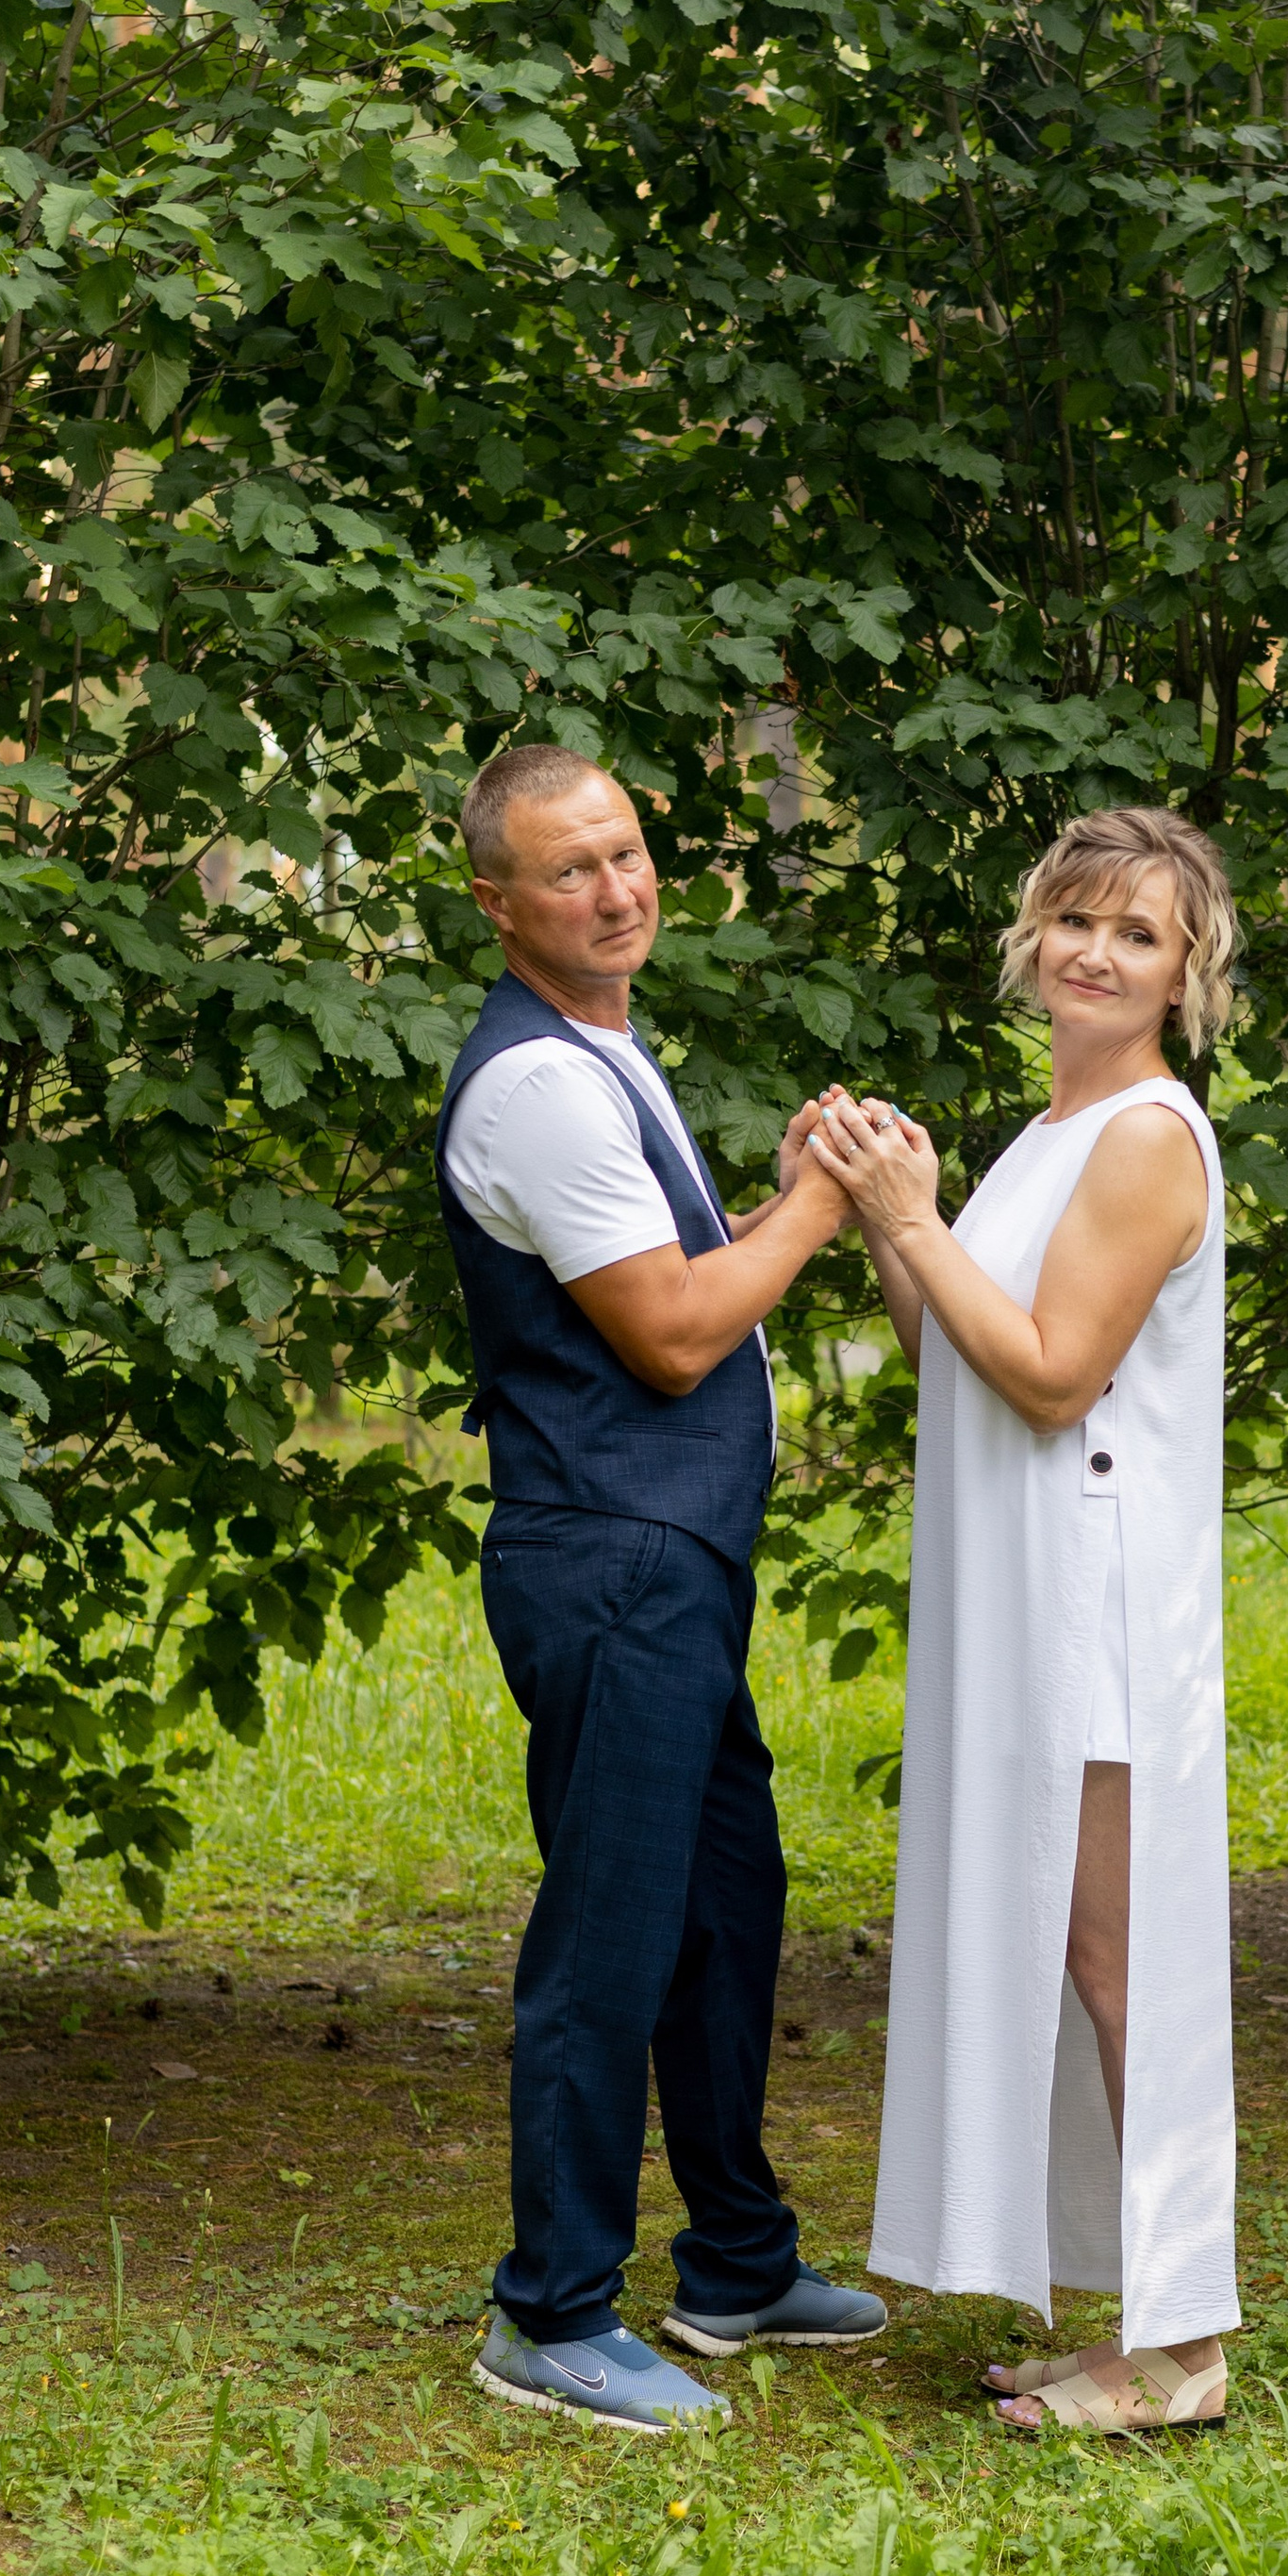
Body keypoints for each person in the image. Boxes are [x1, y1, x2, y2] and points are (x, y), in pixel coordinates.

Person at [436, 742, 886, 2434]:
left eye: (625, 854)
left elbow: (691, 1275)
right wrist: (823, 1198)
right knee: (611, 1936)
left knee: (722, 1907)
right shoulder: (541, 1085)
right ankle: (547, 2314)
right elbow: (683, 1333)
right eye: (569, 871)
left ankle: (736, 2265)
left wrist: (777, 1193)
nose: (614, 890)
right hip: (611, 1557)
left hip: (672, 1563)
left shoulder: (605, 1051)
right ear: (499, 904)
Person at [806, 805, 1239, 2433]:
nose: (1096, 952)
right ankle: (1128, 2313)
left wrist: (920, 1225)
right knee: (1077, 1949)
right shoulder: (1052, 1130)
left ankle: (1183, 2348)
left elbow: (1057, 1382)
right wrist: (884, 1214)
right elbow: (959, 1362)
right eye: (1075, 920)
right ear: (1031, 937)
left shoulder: (1143, 1136)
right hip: (1025, 1582)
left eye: (1138, 933)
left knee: (1129, 1968)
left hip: (1099, 1602)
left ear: (1186, 973)